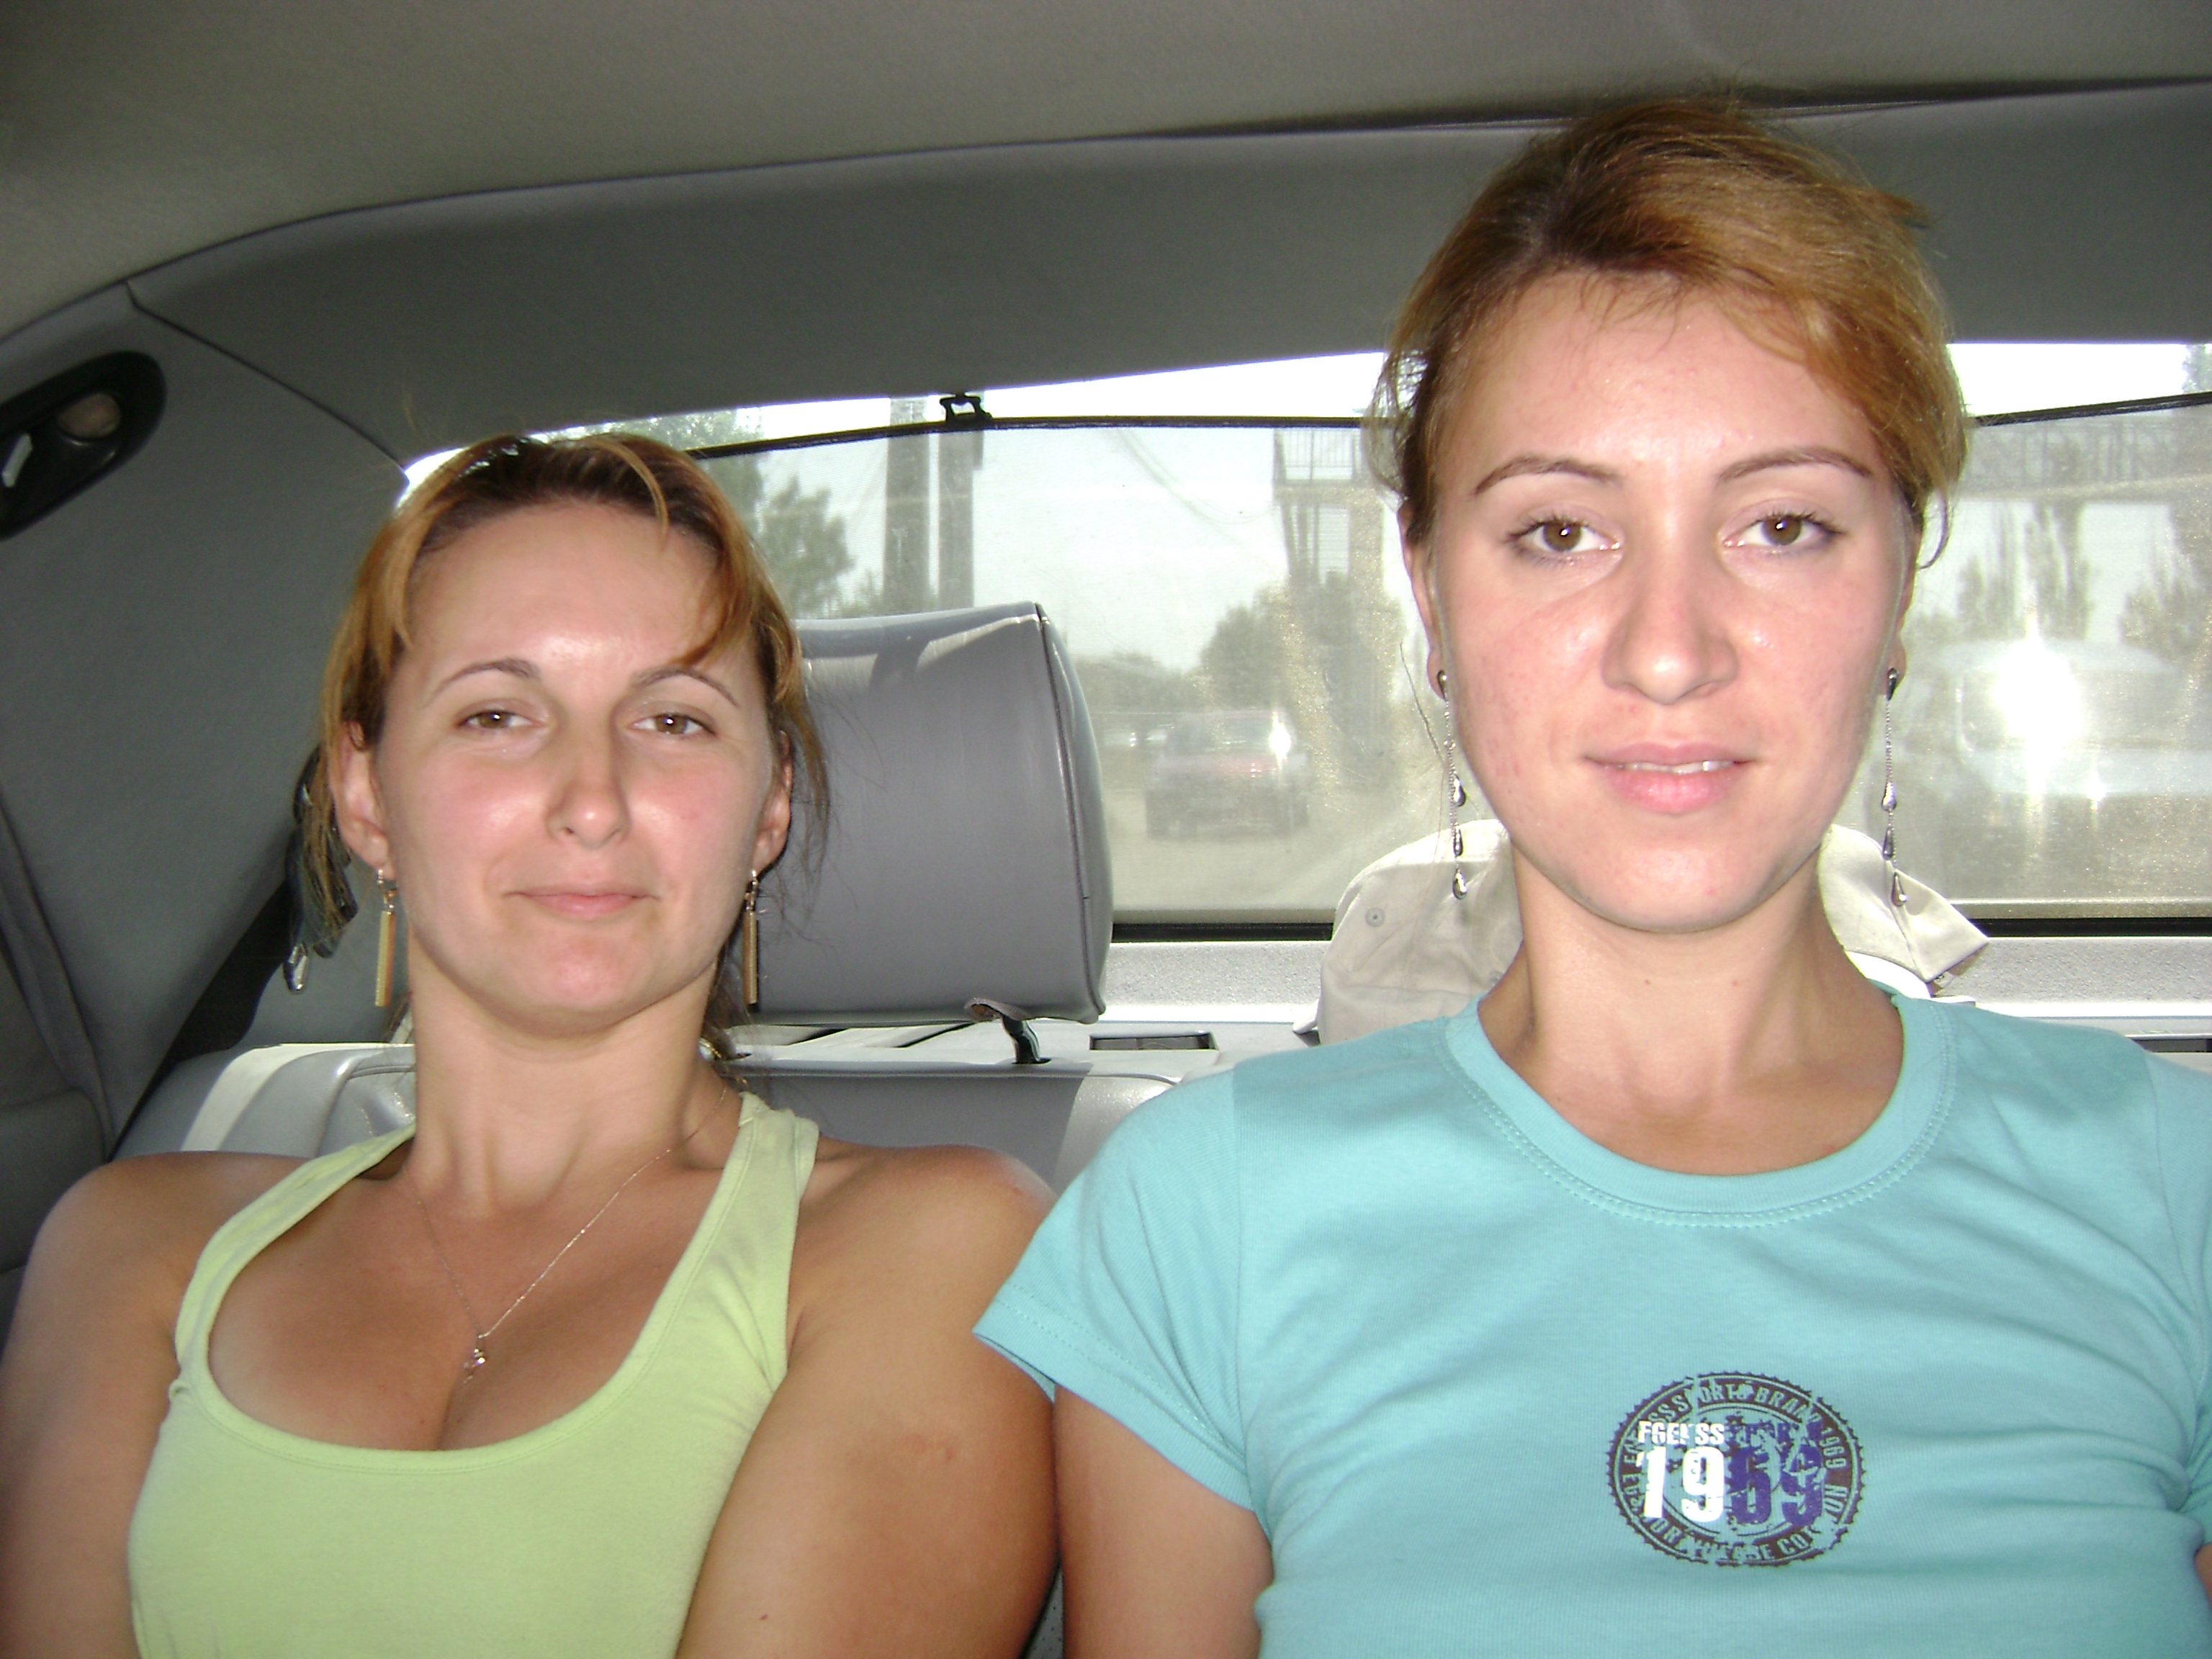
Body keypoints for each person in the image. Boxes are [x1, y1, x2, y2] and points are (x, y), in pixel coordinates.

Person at [976, 102, 2212, 1656]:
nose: (1669, 649)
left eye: (1783, 525)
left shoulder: (2176, 1188)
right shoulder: (1199, 1217)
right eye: (1560, 532)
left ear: (1901, 582)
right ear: (1432, 596)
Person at [0, 435, 1056, 1658]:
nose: (592, 800)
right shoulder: (132, 1245)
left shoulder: (933, 1247)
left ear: (768, 808)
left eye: (674, 719)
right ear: (366, 795)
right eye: (497, 715)